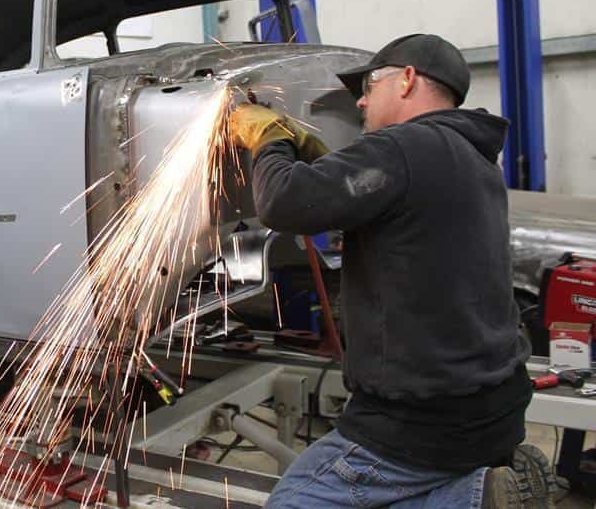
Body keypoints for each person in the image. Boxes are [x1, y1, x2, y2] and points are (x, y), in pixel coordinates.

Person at [228, 34, 551, 508]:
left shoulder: (403, 147)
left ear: (406, 80)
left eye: (369, 85)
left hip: (421, 422)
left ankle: (472, 500)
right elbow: (387, 209)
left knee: (294, 502)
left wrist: (270, 138)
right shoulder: (468, 157)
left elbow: (284, 203)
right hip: (494, 406)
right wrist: (325, 164)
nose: (360, 99)